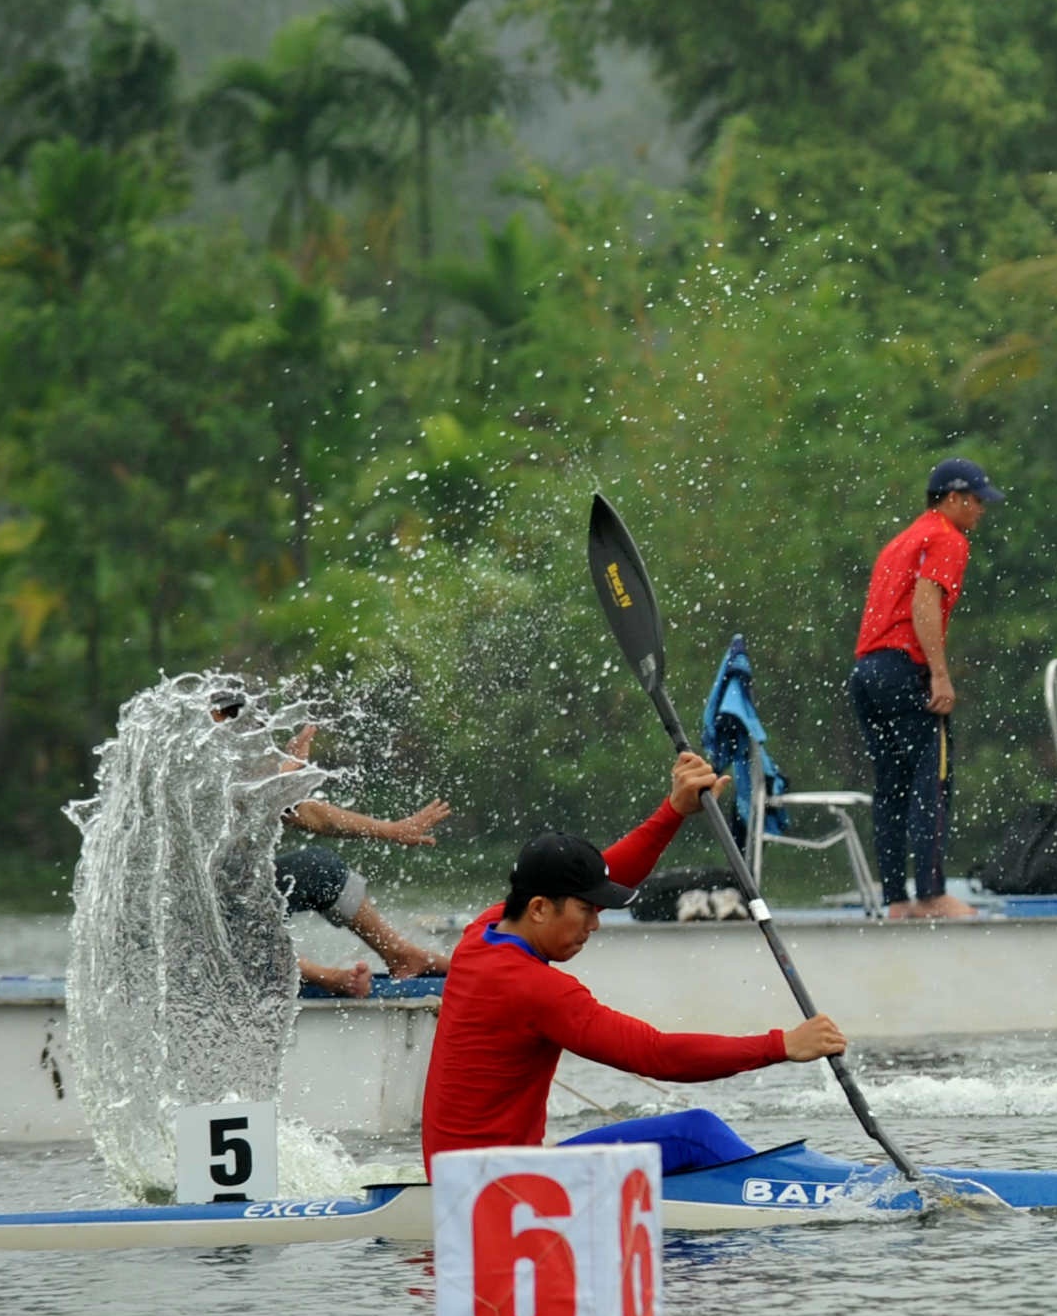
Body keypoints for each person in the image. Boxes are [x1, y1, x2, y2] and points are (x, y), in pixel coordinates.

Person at [418, 749, 847, 1163]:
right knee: (695, 1134)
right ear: (539, 908)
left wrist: (673, 811)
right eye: (587, 910)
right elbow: (656, 1055)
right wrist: (781, 1045)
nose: (596, 923)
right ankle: (825, 1191)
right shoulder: (534, 988)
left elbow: (608, 871)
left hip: (466, 1172)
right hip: (494, 1185)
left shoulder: (484, 933)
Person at [211, 691, 451, 997]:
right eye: (244, 723)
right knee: (240, 894)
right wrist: (287, 771)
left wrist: (393, 830)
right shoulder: (183, 760)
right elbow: (237, 795)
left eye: (258, 726)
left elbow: (312, 814)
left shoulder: (248, 767)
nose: (253, 735)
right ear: (217, 717)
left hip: (241, 895)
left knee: (318, 866)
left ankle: (400, 955)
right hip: (191, 916)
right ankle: (319, 976)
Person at [851, 457, 995, 919]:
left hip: (867, 672)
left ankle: (897, 900)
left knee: (891, 787)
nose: (981, 510)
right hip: (903, 668)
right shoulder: (947, 538)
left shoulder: (901, 541)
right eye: (976, 500)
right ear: (952, 498)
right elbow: (925, 601)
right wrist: (939, 672)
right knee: (931, 781)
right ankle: (932, 894)